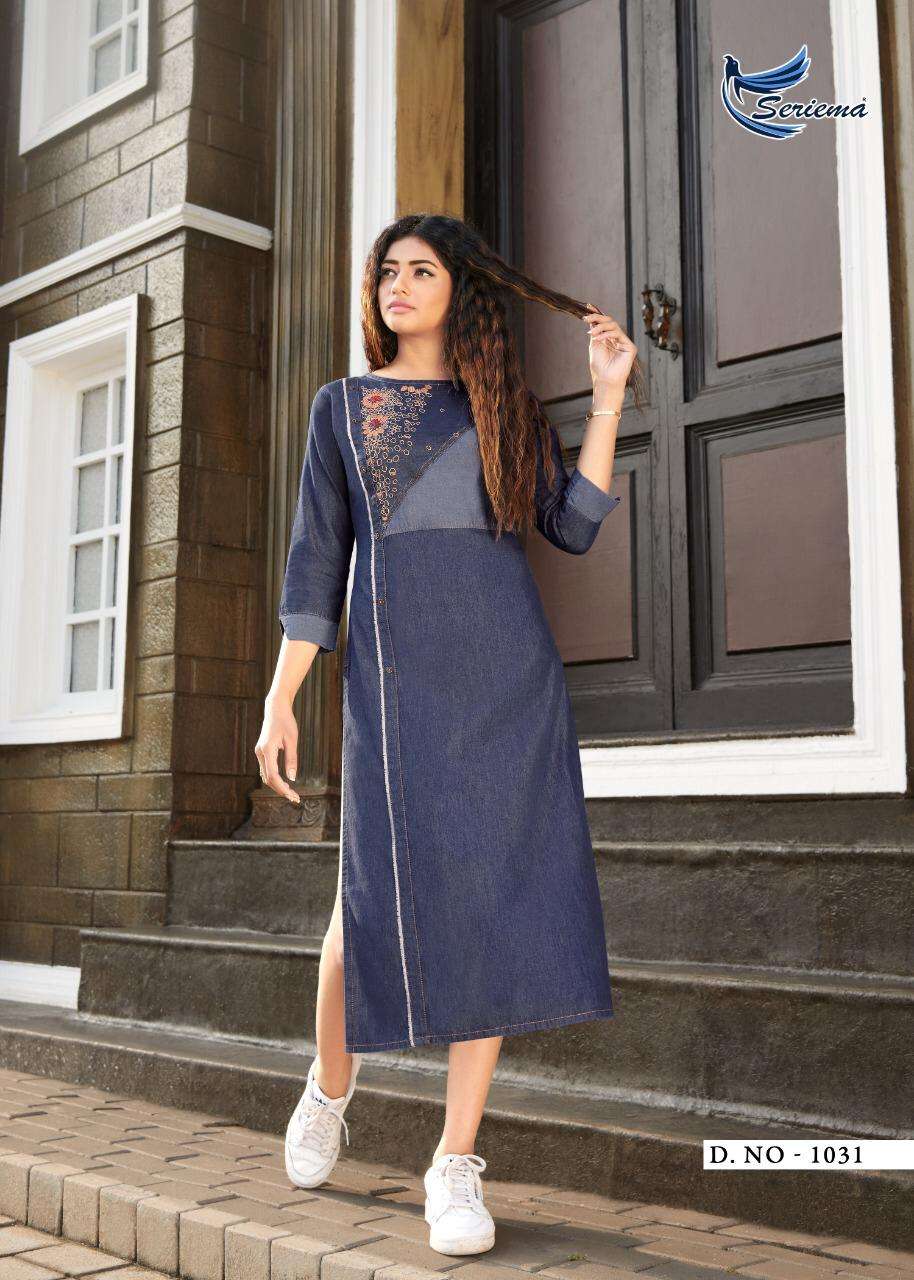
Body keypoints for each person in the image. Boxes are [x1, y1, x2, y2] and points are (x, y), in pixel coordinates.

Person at [256, 213, 641, 1257]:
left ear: (457, 290)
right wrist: (281, 698)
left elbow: (572, 523)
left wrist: (606, 397)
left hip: (508, 684)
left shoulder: (502, 406)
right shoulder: (342, 409)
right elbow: (315, 563)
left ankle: (454, 1159)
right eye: (388, 270)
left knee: (496, 906)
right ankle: (329, 1084)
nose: (397, 284)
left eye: (420, 270)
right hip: (394, 685)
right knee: (360, 913)